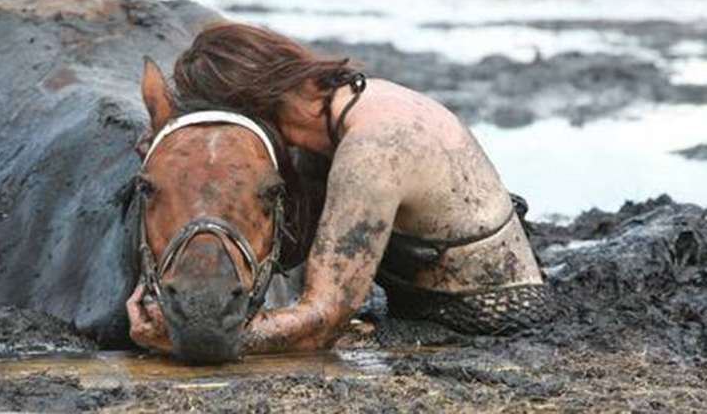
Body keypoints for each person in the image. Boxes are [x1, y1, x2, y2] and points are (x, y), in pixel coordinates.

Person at [128, 23, 554, 354]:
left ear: (251, 104)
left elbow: (324, 319)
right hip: (434, 301)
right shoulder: (342, 111)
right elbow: (293, 247)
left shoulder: (372, 152)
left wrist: (192, 336)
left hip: (481, 320)